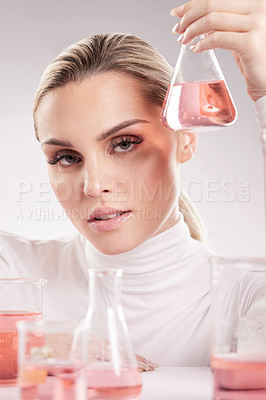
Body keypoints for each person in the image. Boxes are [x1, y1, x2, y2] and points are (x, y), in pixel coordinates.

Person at [1, 0, 266, 369]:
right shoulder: (15, 274)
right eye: (66, 157)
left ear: (185, 139)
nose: (93, 185)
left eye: (124, 144)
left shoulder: (244, 295)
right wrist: (40, 347)